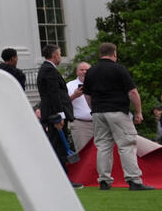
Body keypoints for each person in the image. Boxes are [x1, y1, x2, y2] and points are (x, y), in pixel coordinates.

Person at [82, 42, 154, 190]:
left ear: (100, 53)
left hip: (98, 112)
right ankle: (134, 180)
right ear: (114, 53)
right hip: (117, 111)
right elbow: (132, 92)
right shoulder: (119, 69)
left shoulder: (91, 71)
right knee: (127, 144)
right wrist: (138, 112)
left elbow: (87, 95)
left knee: (102, 146)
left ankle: (104, 180)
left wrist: (94, 109)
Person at [35, 44, 82, 188]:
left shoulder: (47, 69)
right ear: (54, 55)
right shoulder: (49, 70)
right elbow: (53, 94)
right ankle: (62, 180)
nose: (60, 57)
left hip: (53, 113)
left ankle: (59, 179)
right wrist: (59, 116)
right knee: (58, 147)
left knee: (57, 146)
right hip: (55, 115)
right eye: (60, 54)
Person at [66, 62, 93, 152]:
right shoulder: (70, 85)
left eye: (87, 70)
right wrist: (74, 95)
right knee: (84, 153)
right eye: (82, 70)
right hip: (81, 125)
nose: (84, 72)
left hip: (99, 123)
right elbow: (63, 103)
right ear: (77, 72)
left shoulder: (97, 83)